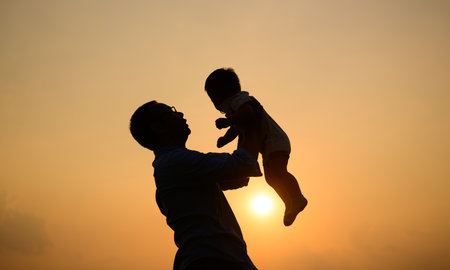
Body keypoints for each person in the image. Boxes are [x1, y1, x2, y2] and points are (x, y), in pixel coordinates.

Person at [129, 100, 262, 270]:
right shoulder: (176, 161)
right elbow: (244, 164)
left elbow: (238, 176)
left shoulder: (172, 165)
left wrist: (243, 128)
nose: (180, 114)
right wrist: (252, 120)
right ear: (158, 127)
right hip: (214, 260)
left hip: (216, 259)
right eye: (170, 111)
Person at [205, 68, 308, 226]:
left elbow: (248, 113)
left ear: (219, 96)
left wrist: (227, 122)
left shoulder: (240, 100)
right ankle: (290, 202)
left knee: (279, 172)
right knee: (272, 178)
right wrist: (225, 139)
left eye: (213, 99)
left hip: (274, 140)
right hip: (268, 145)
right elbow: (236, 128)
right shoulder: (234, 109)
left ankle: (297, 197)